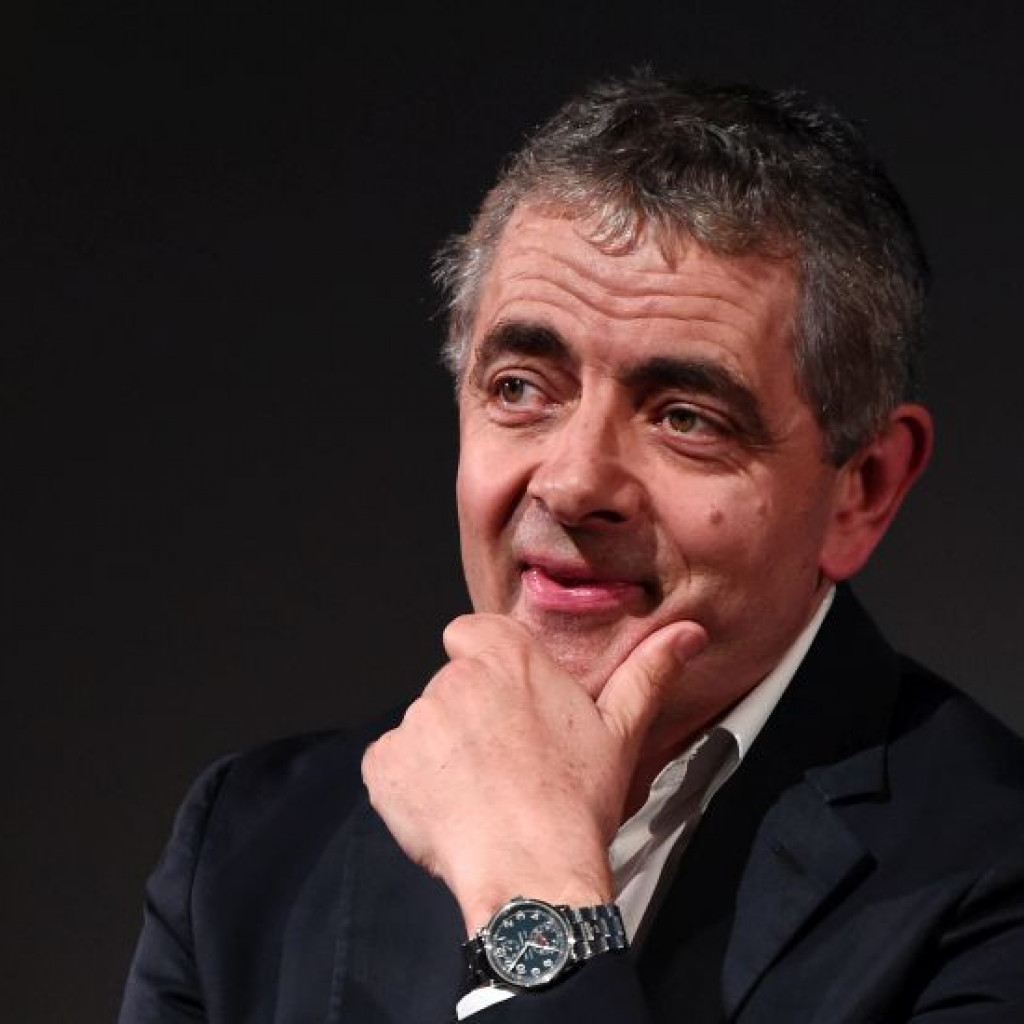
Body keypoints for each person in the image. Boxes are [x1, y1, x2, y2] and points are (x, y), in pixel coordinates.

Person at [119, 73, 1024, 1023]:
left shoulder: (991, 877)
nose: (573, 482)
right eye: (520, 388)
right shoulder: (249, 852)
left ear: (862, 489)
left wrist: (531, 894)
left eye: (685, 416)